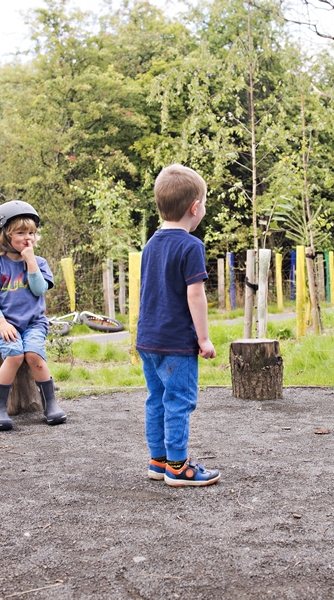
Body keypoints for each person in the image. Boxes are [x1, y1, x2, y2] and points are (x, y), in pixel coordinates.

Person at [136, 164, 220, 486]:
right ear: (194, 208)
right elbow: (195, 295)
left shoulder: (151, 244)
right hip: (176, 344)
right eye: (204, 204)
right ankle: (179, 466)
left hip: (148, 339)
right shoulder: (191, 246)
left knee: (156, 399)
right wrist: (204, 339)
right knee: (179, 402)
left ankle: (158, 461)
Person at [0, 200, 66, 431]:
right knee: (16, 355)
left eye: (32, 232)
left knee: (34, 355)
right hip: (4, 324)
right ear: (3, 236)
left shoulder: (39, 263)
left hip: (34, 323)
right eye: (20, 232)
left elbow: (39, 290)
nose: (28, 237)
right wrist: (0, 322)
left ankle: (50, 404)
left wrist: (30, 262)